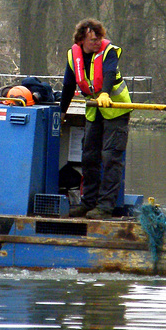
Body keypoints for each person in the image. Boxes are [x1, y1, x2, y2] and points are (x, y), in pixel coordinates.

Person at [60, 18, 133, 220]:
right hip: (94, 111)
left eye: (99, 38)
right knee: (89, 157)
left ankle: (105, 207)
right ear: (81, 40)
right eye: (92, 39)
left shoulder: (108, 51)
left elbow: (108, 73)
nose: (96, 42)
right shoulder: (72, 56)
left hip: (116, 109)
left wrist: (105, 93)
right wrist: (62, 112)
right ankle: (88, 203)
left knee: (110, 158)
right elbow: (68, 86)